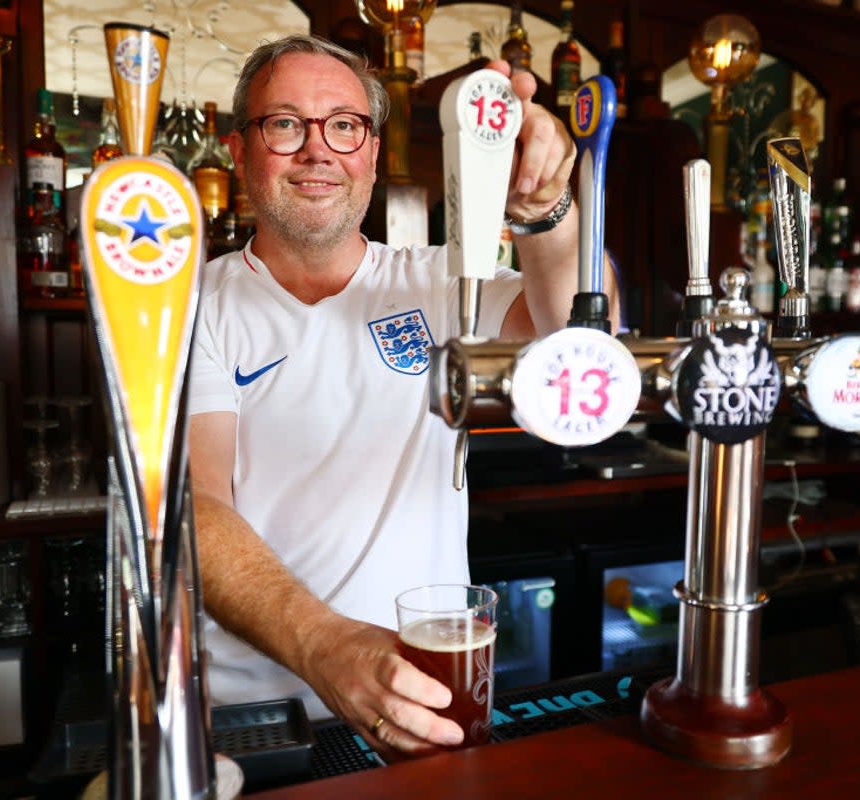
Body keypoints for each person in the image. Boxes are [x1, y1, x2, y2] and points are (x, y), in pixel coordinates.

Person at [186, 33, 619, 761]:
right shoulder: (194, 303)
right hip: (260, 717)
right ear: (239, 150)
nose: (318, 150)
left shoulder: (446, 280)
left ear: (374, 153)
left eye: (344, 125)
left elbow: (579, 332)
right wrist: (326, 647)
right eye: (286, 123)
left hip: (430, 688)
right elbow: (198, 505)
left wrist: (546, 209)